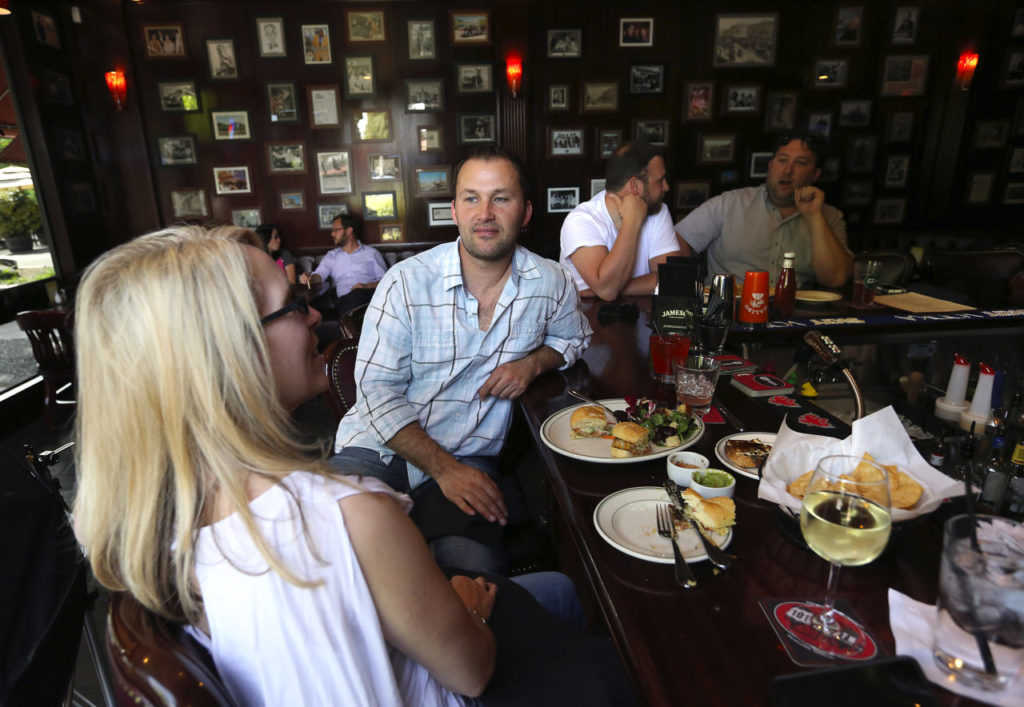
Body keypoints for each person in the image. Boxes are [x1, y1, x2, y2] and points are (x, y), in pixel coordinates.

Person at [71, 225, 623, 705]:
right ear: (234, 352)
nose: (315, 313)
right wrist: (465, 609)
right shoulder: (351, 515)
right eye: (292, 303)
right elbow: (472, 672)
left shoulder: (152, 526)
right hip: (456, 675)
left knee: (550, 591)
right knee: (603, 646)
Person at [331, 145, 591, 575]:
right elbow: (377, 393)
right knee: (330, 564)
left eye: (501, 198)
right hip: (376, 450)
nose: (485, 213)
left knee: (473, 579)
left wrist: (533, 363)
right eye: (472, 198)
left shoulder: (551, 281)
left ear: (524, 212)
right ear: (454, 210)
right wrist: (443, 469)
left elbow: (574, 338)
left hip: (469, 454)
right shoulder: (405, 282)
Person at [675, 130, 853, 288]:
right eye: (782, 160)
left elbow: (835, 279)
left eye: (800, 163)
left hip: (795, 314)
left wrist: (815, 217)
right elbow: (678, 240)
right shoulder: (729, 204)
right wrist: (683, 289)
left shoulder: (829, 217)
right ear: (771, 165)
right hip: (730, 310)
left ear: (816, 174)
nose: (787, 170)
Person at [559, 141, 681, 301]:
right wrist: (632, 222)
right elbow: (607, 289)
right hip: (586, 321)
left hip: (640, 319)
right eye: (660, 180)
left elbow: (674, 279)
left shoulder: (658, 211)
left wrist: (615, 289)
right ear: (635, 185)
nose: (666, 187)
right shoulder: (580, 221)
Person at [300, 213, 387, 316]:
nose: (332, 234)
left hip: (368, 297)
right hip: (343, 300)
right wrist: (310, 278)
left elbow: (386, 281)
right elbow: (320, 274)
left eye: (336, 230)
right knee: (349, 301)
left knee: (357, 295)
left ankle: (350, 324)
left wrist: (366, 286)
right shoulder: (332, 256)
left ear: (349, 230)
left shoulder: (372, 253)